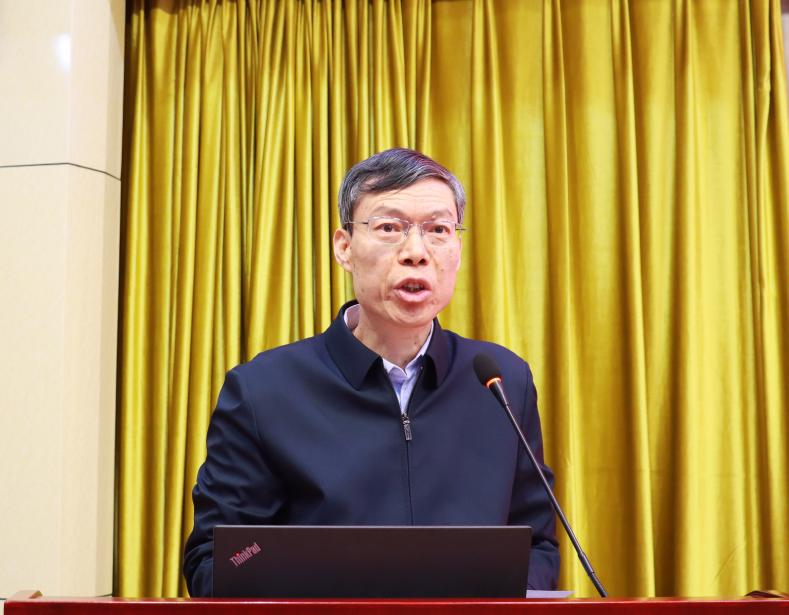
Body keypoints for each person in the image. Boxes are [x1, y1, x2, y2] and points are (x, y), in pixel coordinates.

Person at [183, 148, 560, 596]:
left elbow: (537, 547)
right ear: (344, 247)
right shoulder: (263, 390)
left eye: (438, 230)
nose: (416, 252)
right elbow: (217, 562)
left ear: (457, 250)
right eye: (389, 228)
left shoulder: (501, 383)